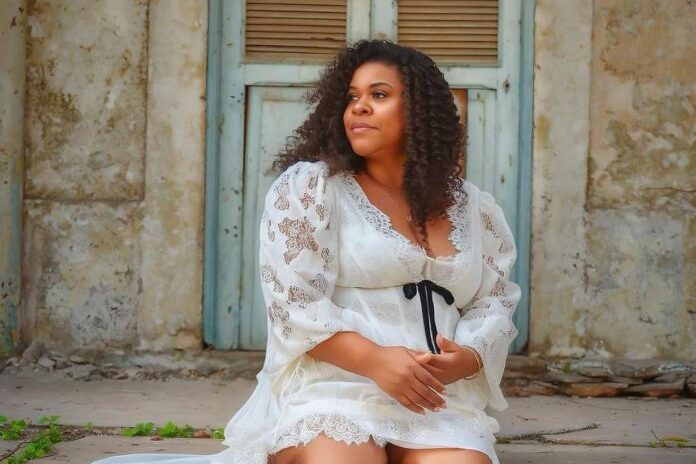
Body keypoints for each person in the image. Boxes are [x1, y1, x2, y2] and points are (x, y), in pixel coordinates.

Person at [92, 39, 520, 464]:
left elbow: (494, 299)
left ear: (421, 112)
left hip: (437, 401)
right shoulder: (312, 190)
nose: (359, 107)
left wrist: (469, 358)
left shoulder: (472, 207)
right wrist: (375, 360)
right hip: (333, 391)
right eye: (351, 97)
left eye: (379, 95)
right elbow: (294, 304)